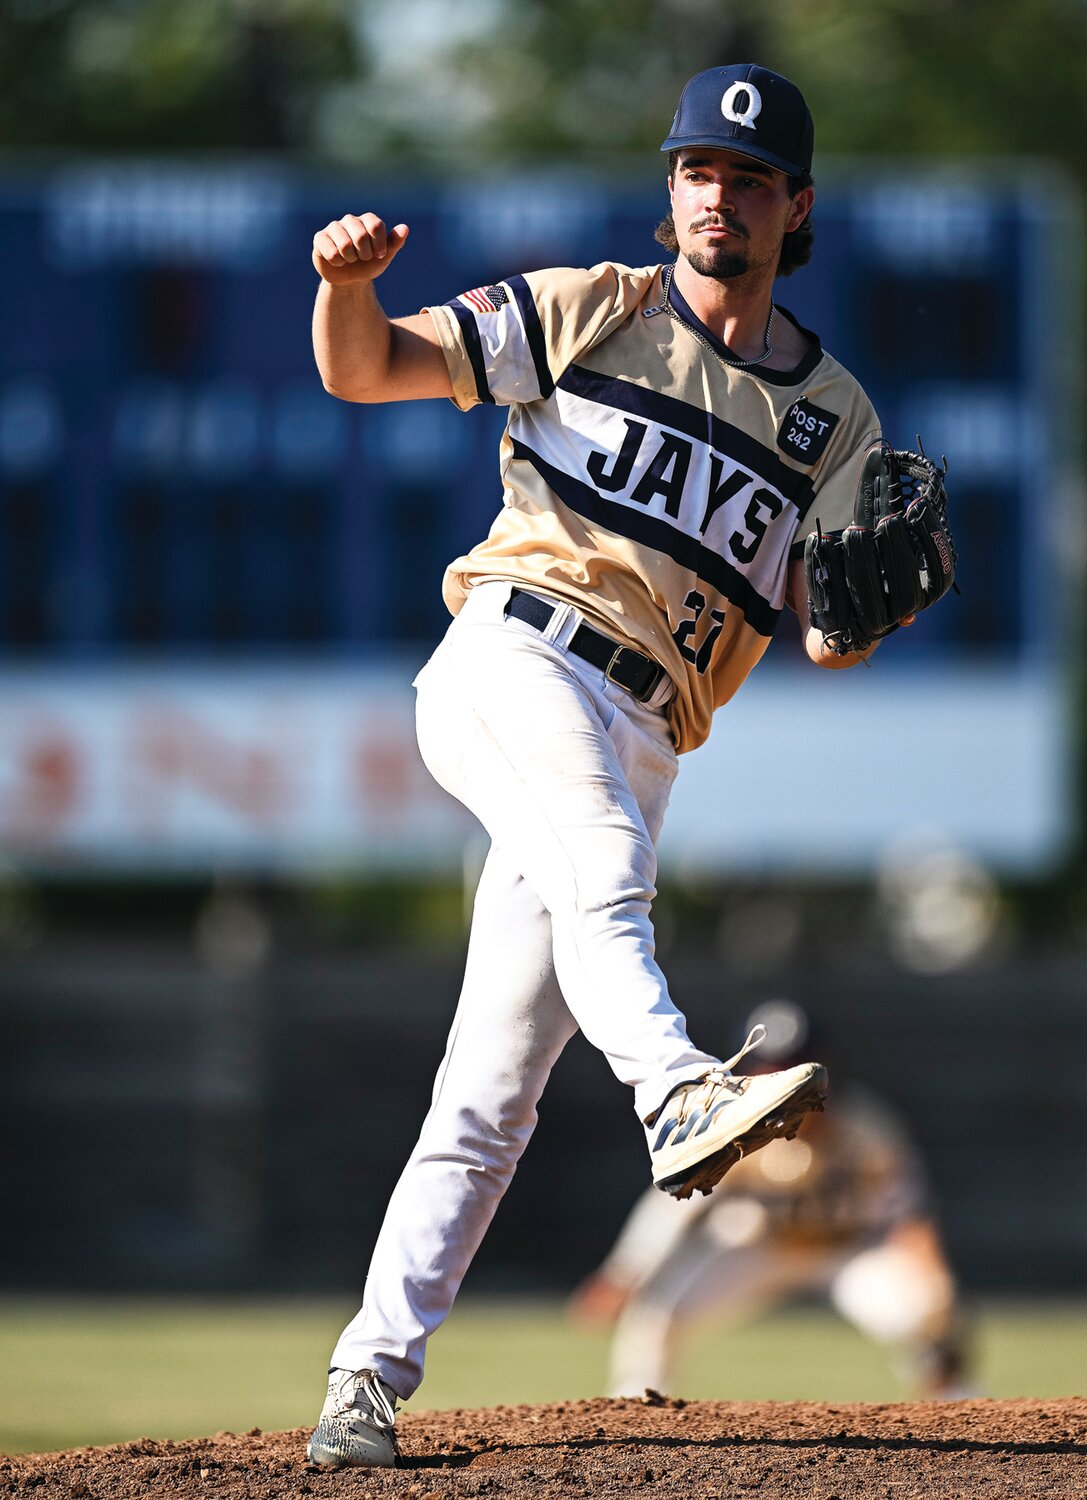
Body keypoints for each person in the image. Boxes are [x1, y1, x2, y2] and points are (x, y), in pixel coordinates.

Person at [305, 62, 914, 1468]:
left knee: (493, 1090)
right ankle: (679, 1091)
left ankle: (364, 1382)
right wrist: (346, 285)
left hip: (650, 731)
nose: (721, 195)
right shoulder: (597, 308)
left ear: (793, 208)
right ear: (672, 193)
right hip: (512, 657)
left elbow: (828, 630)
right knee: (603, 863)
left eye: (750, 179)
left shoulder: (835, 419)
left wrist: (868, 614)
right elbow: (365, 368)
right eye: (699, 170)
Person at [571, 1001, 977, 1402]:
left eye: (794, 1067)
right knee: (657, 1310)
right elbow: (674, 1206)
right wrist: (623, 1273)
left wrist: (935, 1288)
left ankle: (961, 1407)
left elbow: (910, 1218)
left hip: (848, 1250)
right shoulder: (730, 1123)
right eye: (769, 1069)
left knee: (930, 1317)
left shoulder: (866, 1127)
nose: (782, 1080)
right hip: (757, 1246)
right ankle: (633, 1411)